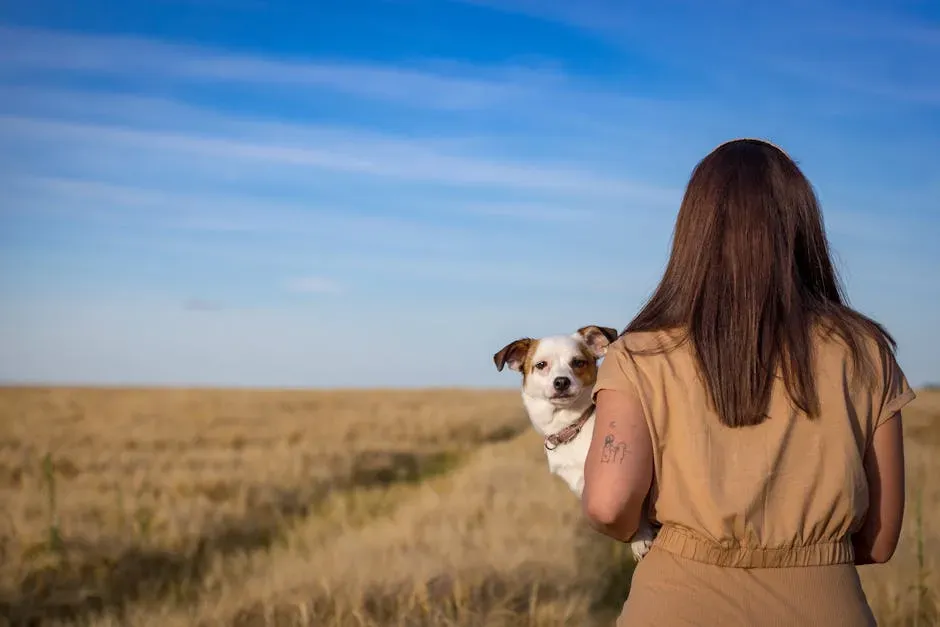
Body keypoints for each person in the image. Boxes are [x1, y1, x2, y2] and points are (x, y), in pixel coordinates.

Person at [581, 138, 915, 626]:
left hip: (675, 604)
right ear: (801, 226)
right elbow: (881, 539)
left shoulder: (639, 354)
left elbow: (609, 506)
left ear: (693, 232)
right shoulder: (864, 351)